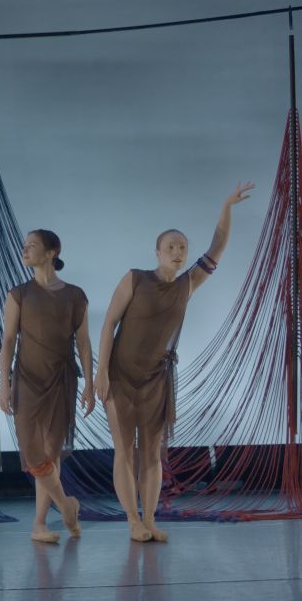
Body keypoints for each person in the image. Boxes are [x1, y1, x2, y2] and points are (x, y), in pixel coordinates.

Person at [95, 182, 255, 542]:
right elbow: (109, 323)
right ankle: (132, 521)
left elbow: (217, 245)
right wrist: (100, 371)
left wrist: (226, 205)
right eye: (171, 247)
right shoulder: (135, 279)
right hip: (121, 376)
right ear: (157, 251)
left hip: (156, 380)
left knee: (151, 453)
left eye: (182, 247)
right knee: (125, 450)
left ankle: (150, 519)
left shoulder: (188, 284)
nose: (178, 252)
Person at [0, 229, 93, 543]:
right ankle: (67, 506)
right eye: (24, 246)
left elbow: (83, 343)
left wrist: (90, 384)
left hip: (61, 378)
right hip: (26, 378)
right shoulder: (18, 294)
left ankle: (39, 524)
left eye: (32, 246)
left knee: (51, 453)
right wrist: (4, 385)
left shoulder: (75, 295)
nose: (25, 251)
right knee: (34, 453)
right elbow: (8, 341)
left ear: (51, 252)